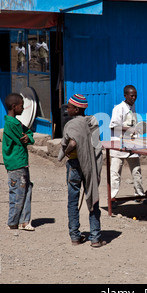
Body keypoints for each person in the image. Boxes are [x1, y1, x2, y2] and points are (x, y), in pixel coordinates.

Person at [57, 94, 105, 247]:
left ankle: (75, 237)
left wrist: (64, 152)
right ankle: (95, 238)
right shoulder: (92, 122)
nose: (67, 109)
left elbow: (72, 142)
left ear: (76, 109)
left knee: (73, 200)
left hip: (75, 166)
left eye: (69, 107)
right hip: (90, 165)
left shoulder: (72, 124)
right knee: (92, 196)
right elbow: (97, 147)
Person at [109, 85, 147, 205]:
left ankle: (140, 195)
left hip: (132, 146)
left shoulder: (133, 107)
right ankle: (112, 199)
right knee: (115, 173)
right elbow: (114, 126)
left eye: (135, 95)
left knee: (136, 171)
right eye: (132, 95)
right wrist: (129, 129)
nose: (134, 97)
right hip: (118, 145)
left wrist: (135, 131)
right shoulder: (118, 108)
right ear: (125, 95)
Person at [2, 93, 35, 231]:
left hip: (19, 163)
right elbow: (25, 137)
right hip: (17, 164)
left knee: (26, 190)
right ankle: (13, 221)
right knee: (18, 193)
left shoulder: (13, 123)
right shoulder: (13, 124)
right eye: (21, 105)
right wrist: (29, 137)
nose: (23, 108)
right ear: (14, 107)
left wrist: (29, 137)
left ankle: (24, 221)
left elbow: (29, 135)